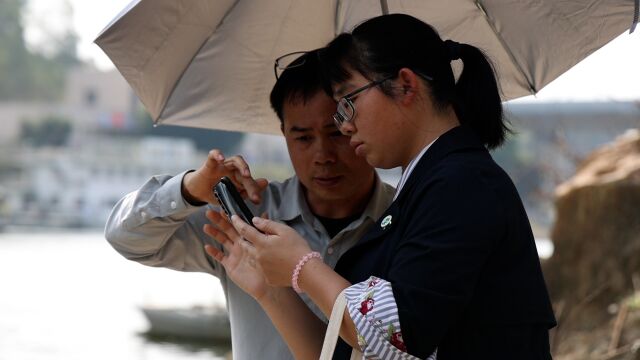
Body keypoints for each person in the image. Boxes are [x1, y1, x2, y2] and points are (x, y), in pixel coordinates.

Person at [206, 14, 557, 359]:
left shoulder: (461, 183)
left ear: (405, 85)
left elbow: (398, 335)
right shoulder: (432, 181)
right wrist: (271, 289)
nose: (344, 126)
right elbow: (353, 349)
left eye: (348, 103)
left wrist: (303, 266)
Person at [104, 49, 396, 360]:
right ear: (283, 134)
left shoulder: (406, 217)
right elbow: (127, 239)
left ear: (359, 125)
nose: (323, 155)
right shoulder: (242, 221)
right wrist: (190, 189)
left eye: (336, 133)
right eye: (303, 138)